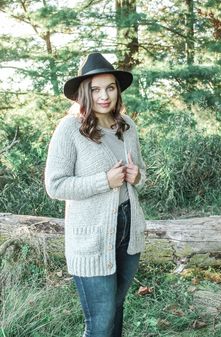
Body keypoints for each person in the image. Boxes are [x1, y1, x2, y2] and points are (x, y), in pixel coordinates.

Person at [44, 52, 146, 337]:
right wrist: (104, 181)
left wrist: (138, 177)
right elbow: (55, 185)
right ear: (84, 93)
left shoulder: (127, 125)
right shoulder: (69, 130)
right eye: (96, 89)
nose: (104, 96)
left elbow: (141, 173)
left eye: (110, 87)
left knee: (116, 310)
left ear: (118, 89)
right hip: (92, 238)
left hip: (128, 233)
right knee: (100, 324)